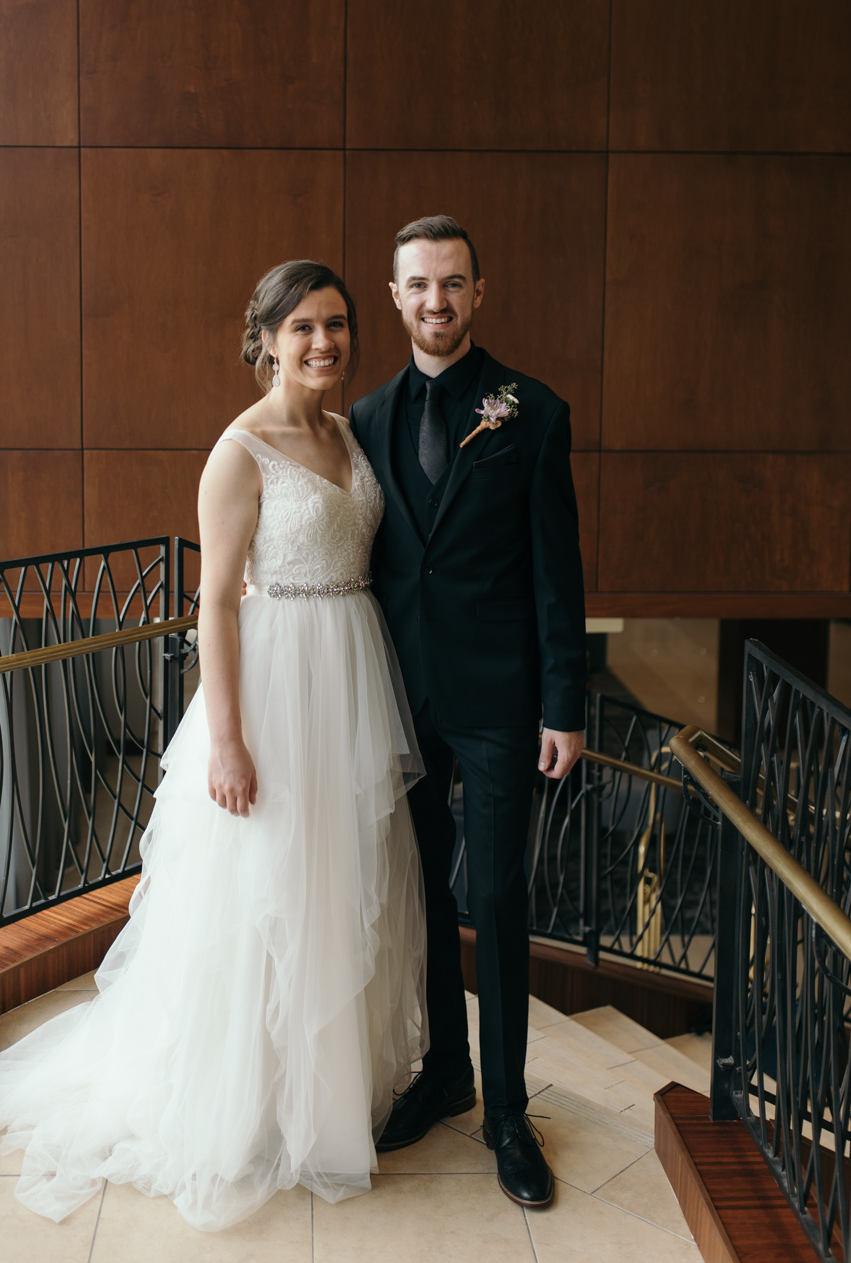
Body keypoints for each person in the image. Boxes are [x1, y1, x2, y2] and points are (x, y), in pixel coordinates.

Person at [0, 260, 427, 1233]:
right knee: (263, 895)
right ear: (266, 342)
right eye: (304, 330)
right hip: (276, 689)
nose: (325, 343)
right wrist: (229, 740)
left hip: (350, 677)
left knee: (333, 884)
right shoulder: (239, 451)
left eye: (337, 325)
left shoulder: (346, 430)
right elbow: (213, 603)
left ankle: (323, 1093)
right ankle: (242, 1105)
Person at [350, 214, 587, 1210]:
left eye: (453, 282)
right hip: (396, 698)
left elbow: (555, 570)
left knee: (493, 899)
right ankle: (444, 1069)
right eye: (418, 284)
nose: (436, 300)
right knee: (419, 903)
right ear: (397, 296)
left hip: (500, 702)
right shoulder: (360, 420)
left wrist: (564, 704)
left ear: (478, 293)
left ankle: (504, 1110)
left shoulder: (530, 412)